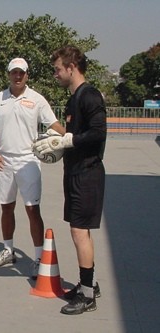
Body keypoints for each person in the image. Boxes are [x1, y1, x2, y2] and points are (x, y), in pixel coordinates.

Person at [34, 46, 106, 315]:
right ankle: (89, 284)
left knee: (79, 232)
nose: (55, 74)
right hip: (75, 172)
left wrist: (71, 139)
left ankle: (87, 295)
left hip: (88, 173)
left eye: (57, 69)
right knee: (80, 231)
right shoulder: (72, 99)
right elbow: (73, 138)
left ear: (71, 67)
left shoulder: (89, 96)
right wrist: (56, 145)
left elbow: (98, 133)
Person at [0, 58, 64, 279]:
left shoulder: (37, 99)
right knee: (6, 208)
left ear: (27, 75)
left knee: (32, 210)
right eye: (14, 72)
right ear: (8, 74)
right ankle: (8, 250)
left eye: (21, 73)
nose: (17, 76)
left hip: (28, 161)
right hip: (4, 161)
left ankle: (39, 257)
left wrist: (69, 136)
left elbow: (53, 124)